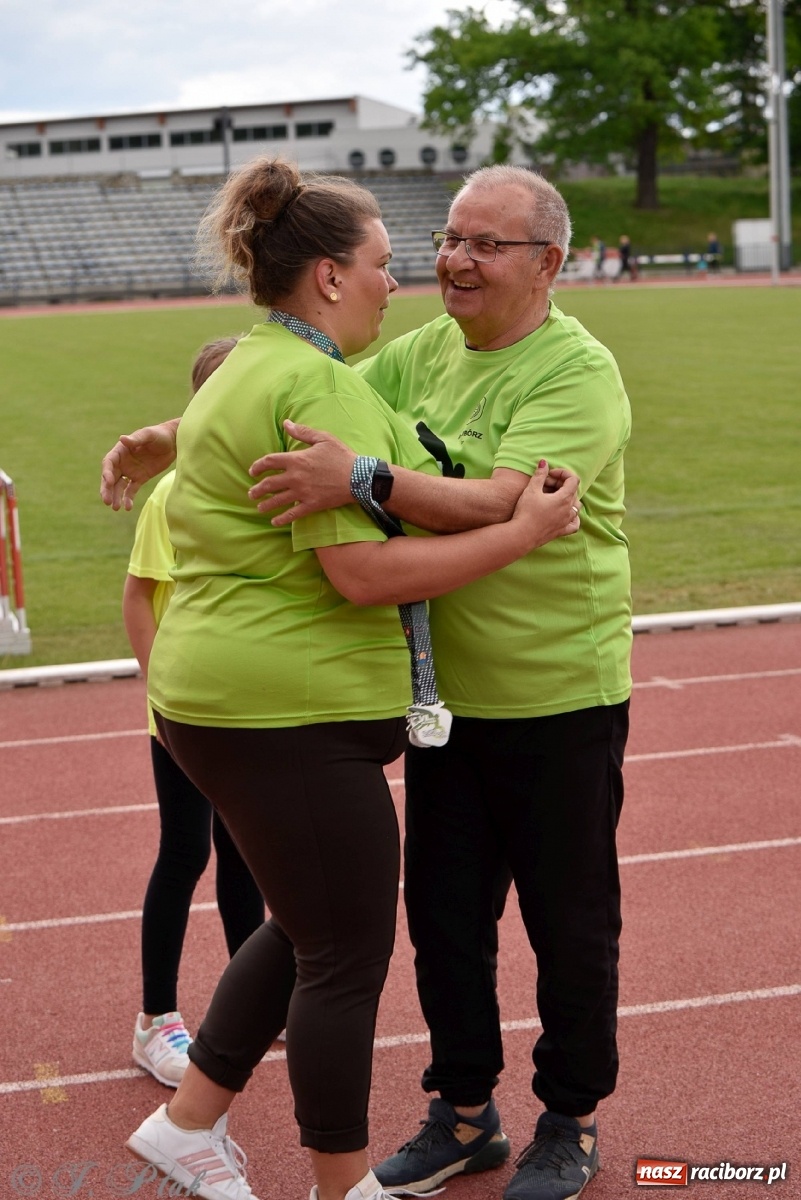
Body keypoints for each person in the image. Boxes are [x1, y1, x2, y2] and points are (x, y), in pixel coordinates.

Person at [107, 157, 582, 1200]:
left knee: (304, 922)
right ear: (328, 275)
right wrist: (523, 533)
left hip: (229, 699)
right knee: (344, 955)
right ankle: (342, 1183)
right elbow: (363, 572)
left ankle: (190, 1126)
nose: (395, 281)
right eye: (382, 262)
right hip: (284, 709)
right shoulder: (314, 381)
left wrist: (159, 434)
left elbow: (241, 439)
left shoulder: (255, 358)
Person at [124, 336, 266, 1089]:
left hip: (246, 711)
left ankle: (251, 1003)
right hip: (184, 710)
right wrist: (161, 687)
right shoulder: (173, 493)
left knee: (246, 856)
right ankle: (156, 1019)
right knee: (186, 852)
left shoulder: (267, 487)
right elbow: (140, 595)